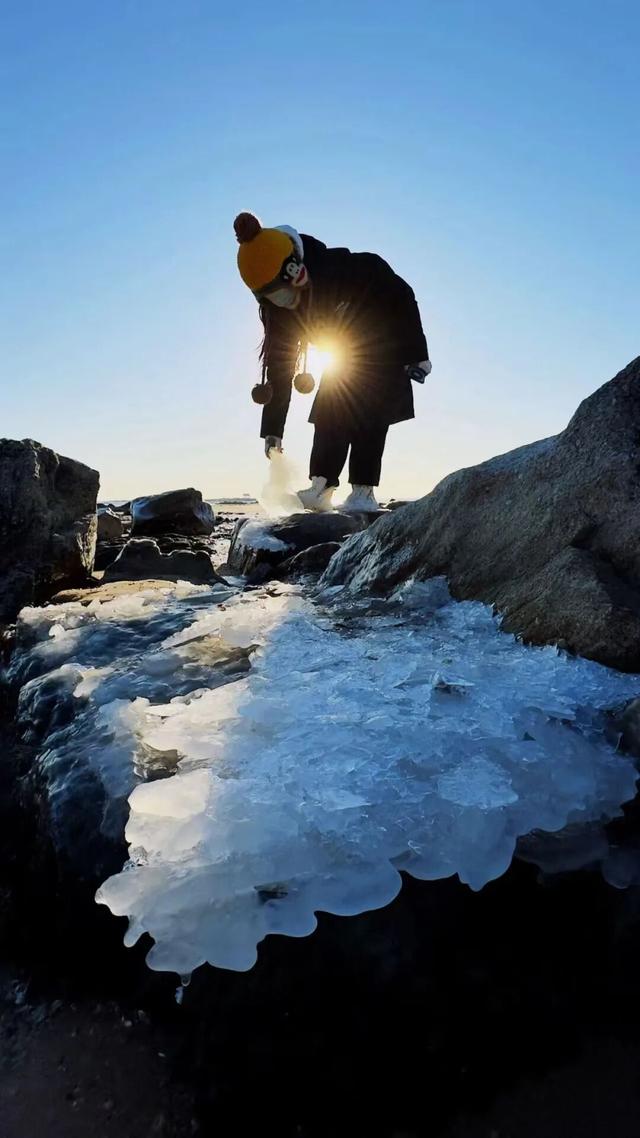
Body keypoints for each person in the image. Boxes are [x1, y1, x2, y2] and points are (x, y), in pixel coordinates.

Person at [234, 211, 431, 512]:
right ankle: (322, 485)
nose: (284, 304)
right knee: (330, 410)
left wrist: (417, 352)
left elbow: (402, 294)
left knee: (371, 416)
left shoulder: (344, 269)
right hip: (344, 354)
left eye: (284, 295)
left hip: (384, 345)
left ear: (295, 271)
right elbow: (280, 366)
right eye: (272, 299)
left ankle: (363, 492)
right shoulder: (280, 313)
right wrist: (273, 430)